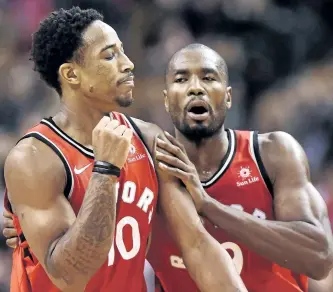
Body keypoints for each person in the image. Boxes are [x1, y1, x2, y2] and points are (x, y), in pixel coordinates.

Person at [2, 8, 246, 292]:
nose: (128, 64)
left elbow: (197, 246)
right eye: (109, 56)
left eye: (122, 51)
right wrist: (105, 171)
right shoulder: (33, 158)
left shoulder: (149, 139)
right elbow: (71, 276)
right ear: (71, 74)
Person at [145, 44, 333, 292]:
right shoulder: (148, 169)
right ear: (167, 101)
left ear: (229, 96)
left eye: (208, 78)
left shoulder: (272, 154)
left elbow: (319, 258)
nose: (195, 87)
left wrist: (210, 207)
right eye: (181, 79)